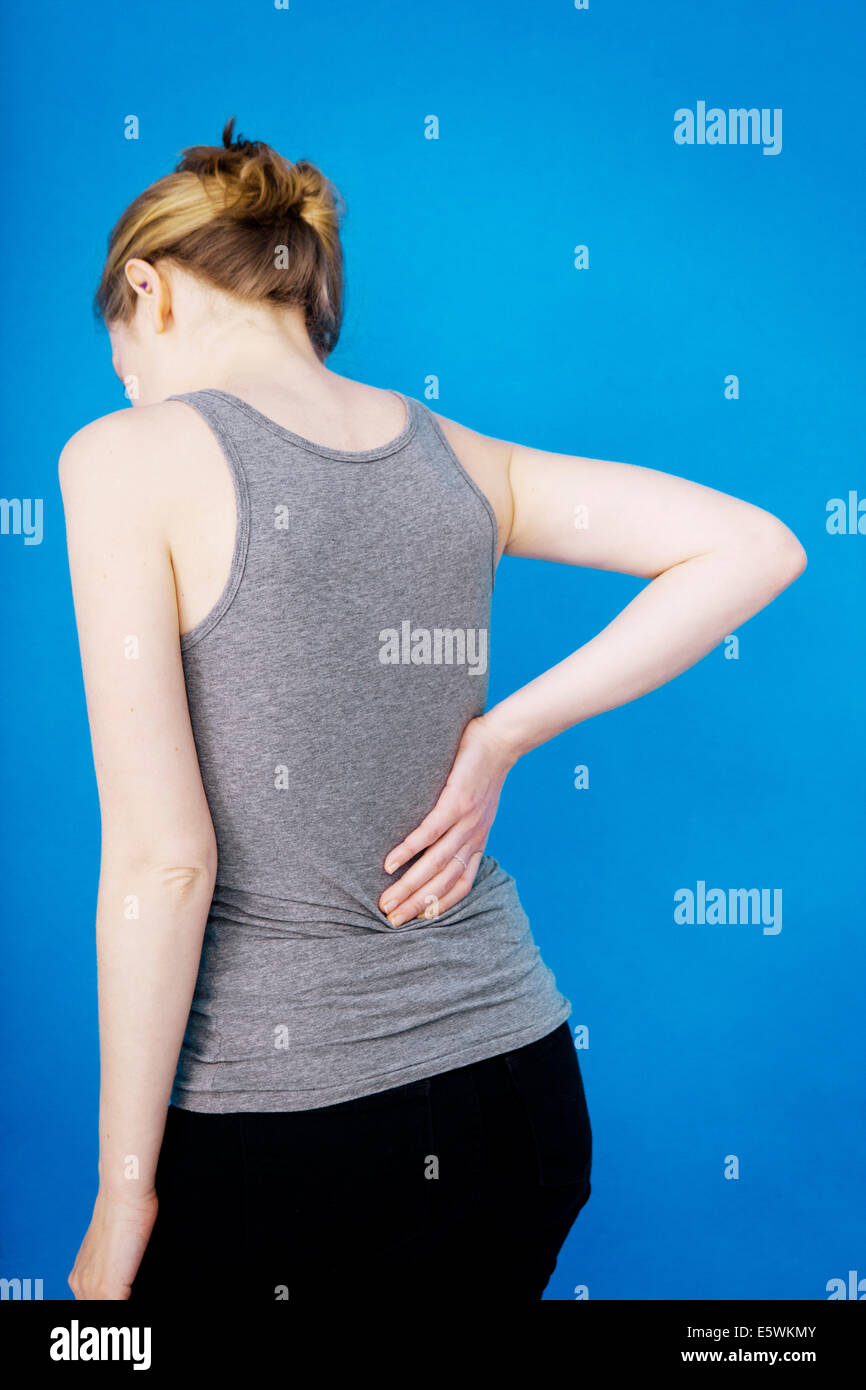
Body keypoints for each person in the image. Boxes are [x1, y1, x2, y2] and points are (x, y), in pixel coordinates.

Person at [61, 117, 806, 1304]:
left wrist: (121, 1195)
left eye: (122, 353)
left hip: (286, 1134)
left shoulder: (123, 456)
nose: (128, 385)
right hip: (517, 1089)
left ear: (147, 292)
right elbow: (753, 545)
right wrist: (503, 735)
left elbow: (164, 861)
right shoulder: (459, 456)